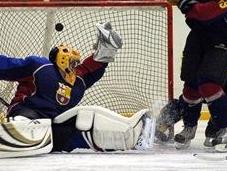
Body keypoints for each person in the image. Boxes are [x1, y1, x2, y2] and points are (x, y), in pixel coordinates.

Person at [0, 22, 156, 158]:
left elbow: (91, 66)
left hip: (53, 125)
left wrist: (107, 49)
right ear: (61, 59)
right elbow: (8, 65)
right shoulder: (40, 66)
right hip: (27, 112)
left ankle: (131, 136)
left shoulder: (77, 82)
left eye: (76, 64)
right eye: (72, 63)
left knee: (84, 124)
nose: (75, 67)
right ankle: (14, 132)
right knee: (25, 121)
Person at [156, 0, 227, 150]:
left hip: (221, 41)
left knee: (209, 84)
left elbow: (204, 14)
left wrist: (189, 6)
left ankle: (223, 127)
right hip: (198, 39)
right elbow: (194, 19)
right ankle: (189, 126)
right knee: (191, 86)